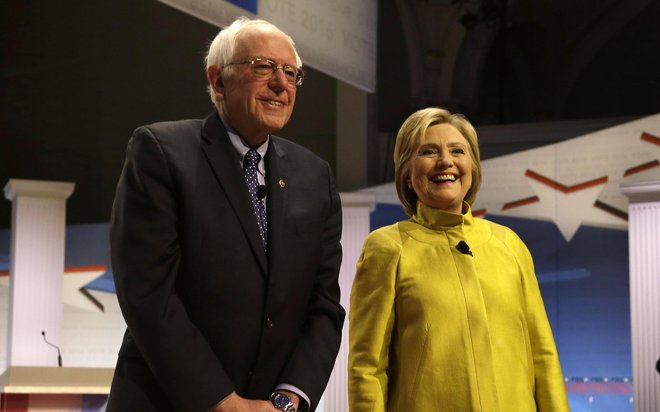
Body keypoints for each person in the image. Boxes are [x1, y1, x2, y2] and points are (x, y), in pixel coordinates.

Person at [106, 17, 344, 412]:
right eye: (263, 67)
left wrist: (288, 400)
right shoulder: (162, 152)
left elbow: (324, 305)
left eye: (291, 73)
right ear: (218, 81)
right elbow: (148, 293)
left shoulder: (315, 176)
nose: (281, 84)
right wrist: (222, 401)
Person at [347, 107, 569, 411]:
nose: (445, 161)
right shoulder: (386, 248)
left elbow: (543, 356)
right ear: (407, 174)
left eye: (457, 151)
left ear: (472, 167)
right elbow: (367, 369)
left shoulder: (509, 244)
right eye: (428, 151)